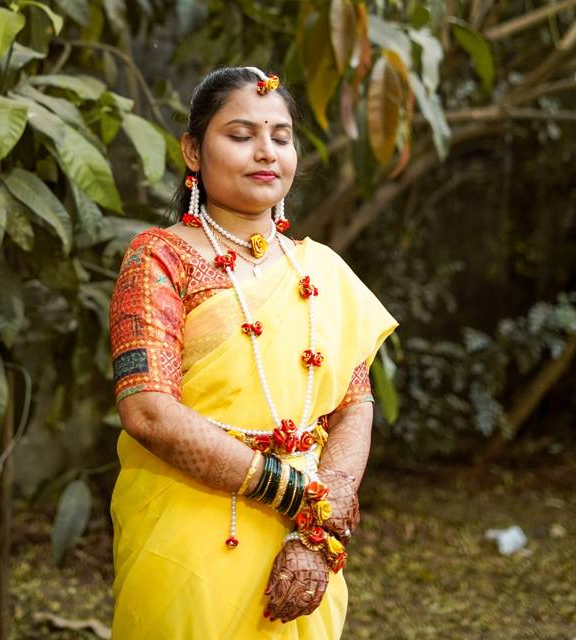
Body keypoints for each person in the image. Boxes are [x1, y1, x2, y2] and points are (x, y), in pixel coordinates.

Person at [108, 66, 398, 639]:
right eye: (240, 135)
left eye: (281, 137)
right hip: (186, 539)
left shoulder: (323, 271)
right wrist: (297, 497)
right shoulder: (159, 259)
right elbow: (147, 411)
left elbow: (353, 404)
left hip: (302, 547)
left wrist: (315, 536)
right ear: (193, 150)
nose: (266, 152)